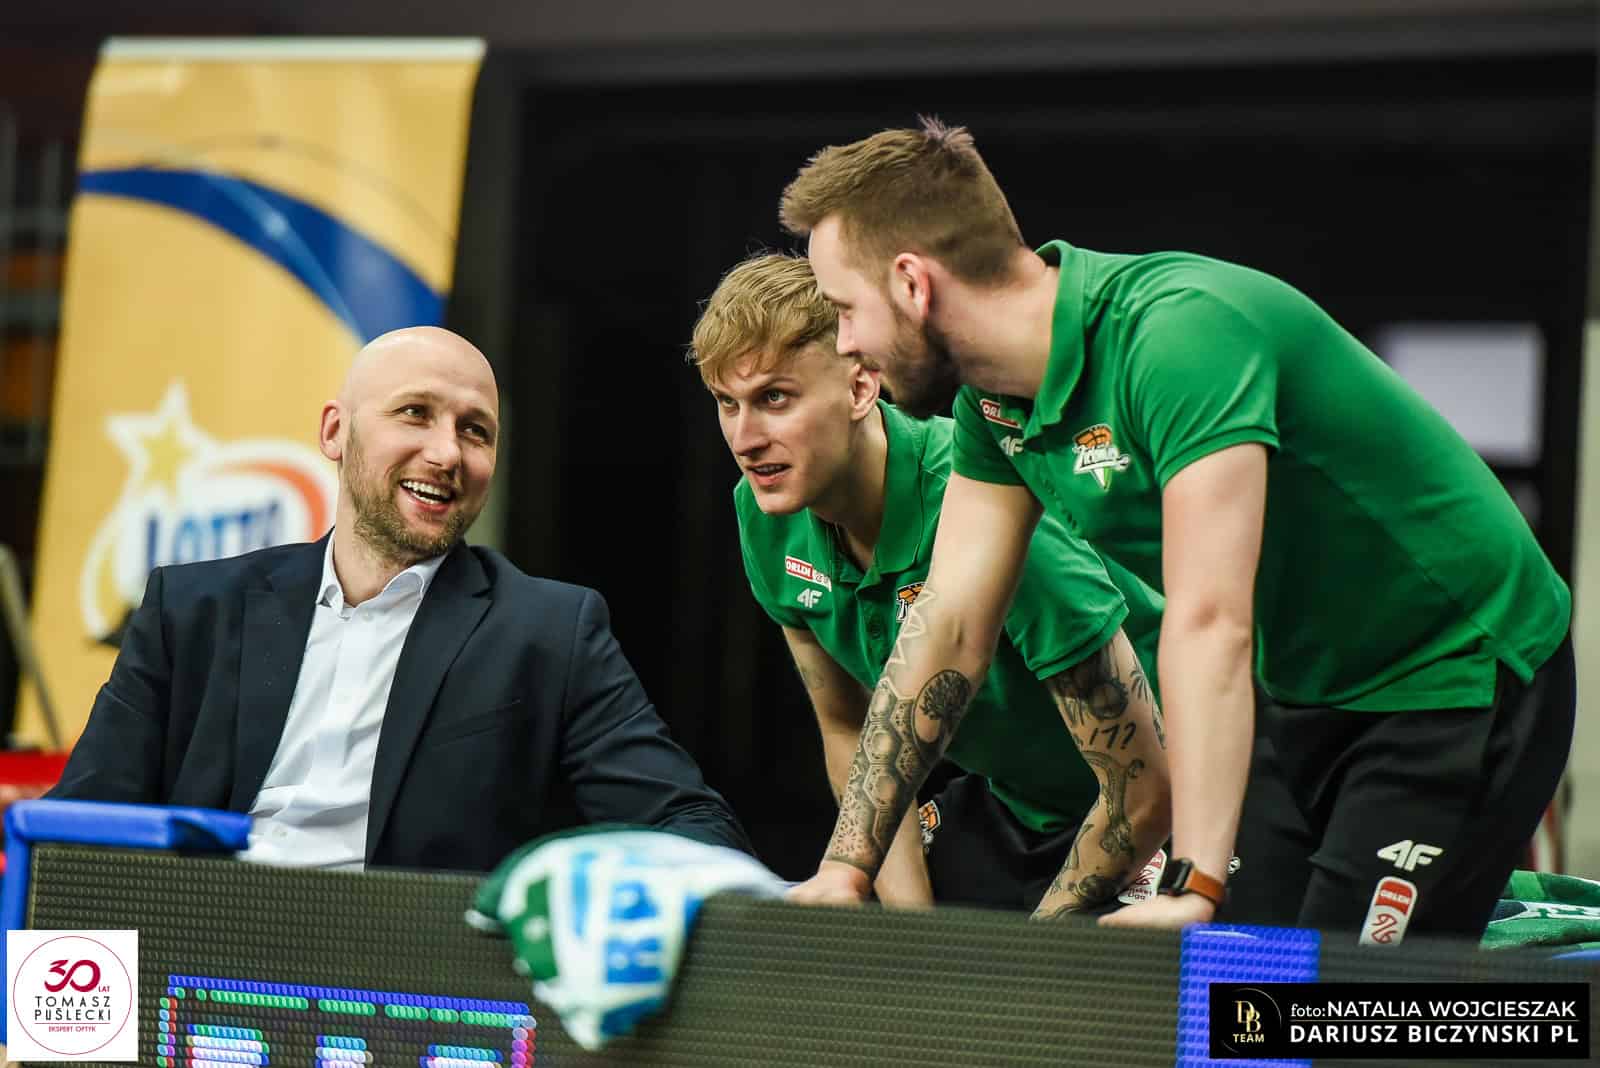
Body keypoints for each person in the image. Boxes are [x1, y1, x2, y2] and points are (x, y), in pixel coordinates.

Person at [779, 118, 1574, 943]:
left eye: (844, 310)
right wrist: (847, 866)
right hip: (1299, 691)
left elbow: (1209, 621)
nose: (847, 344)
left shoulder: (1176, 337)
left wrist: (1194, 884)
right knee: (1230, 991)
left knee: (1333, 1000)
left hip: (1455, 676)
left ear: (912, 283)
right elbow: (946, 625)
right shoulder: (994, 405)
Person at [49, 326, 751, 872]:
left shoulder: (549, 632)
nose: (447, 453)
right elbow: (73, 837)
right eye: (415, 413)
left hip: (411, 986)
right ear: (335, 431)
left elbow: (692, 827)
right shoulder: (190, 610)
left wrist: (580, 891)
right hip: (196, 963)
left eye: (475, 430)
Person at [692, 252, 1169, 915]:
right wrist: (910, 936)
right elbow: (850, 729)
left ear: (861, 387)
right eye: (727, 403)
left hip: (1183, 790)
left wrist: (1039, 953)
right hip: (1018, 808)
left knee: (1176, 980)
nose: (745, 438)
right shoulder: (765, 514)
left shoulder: (981, 505)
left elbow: (1146, 789)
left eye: (775, 398)